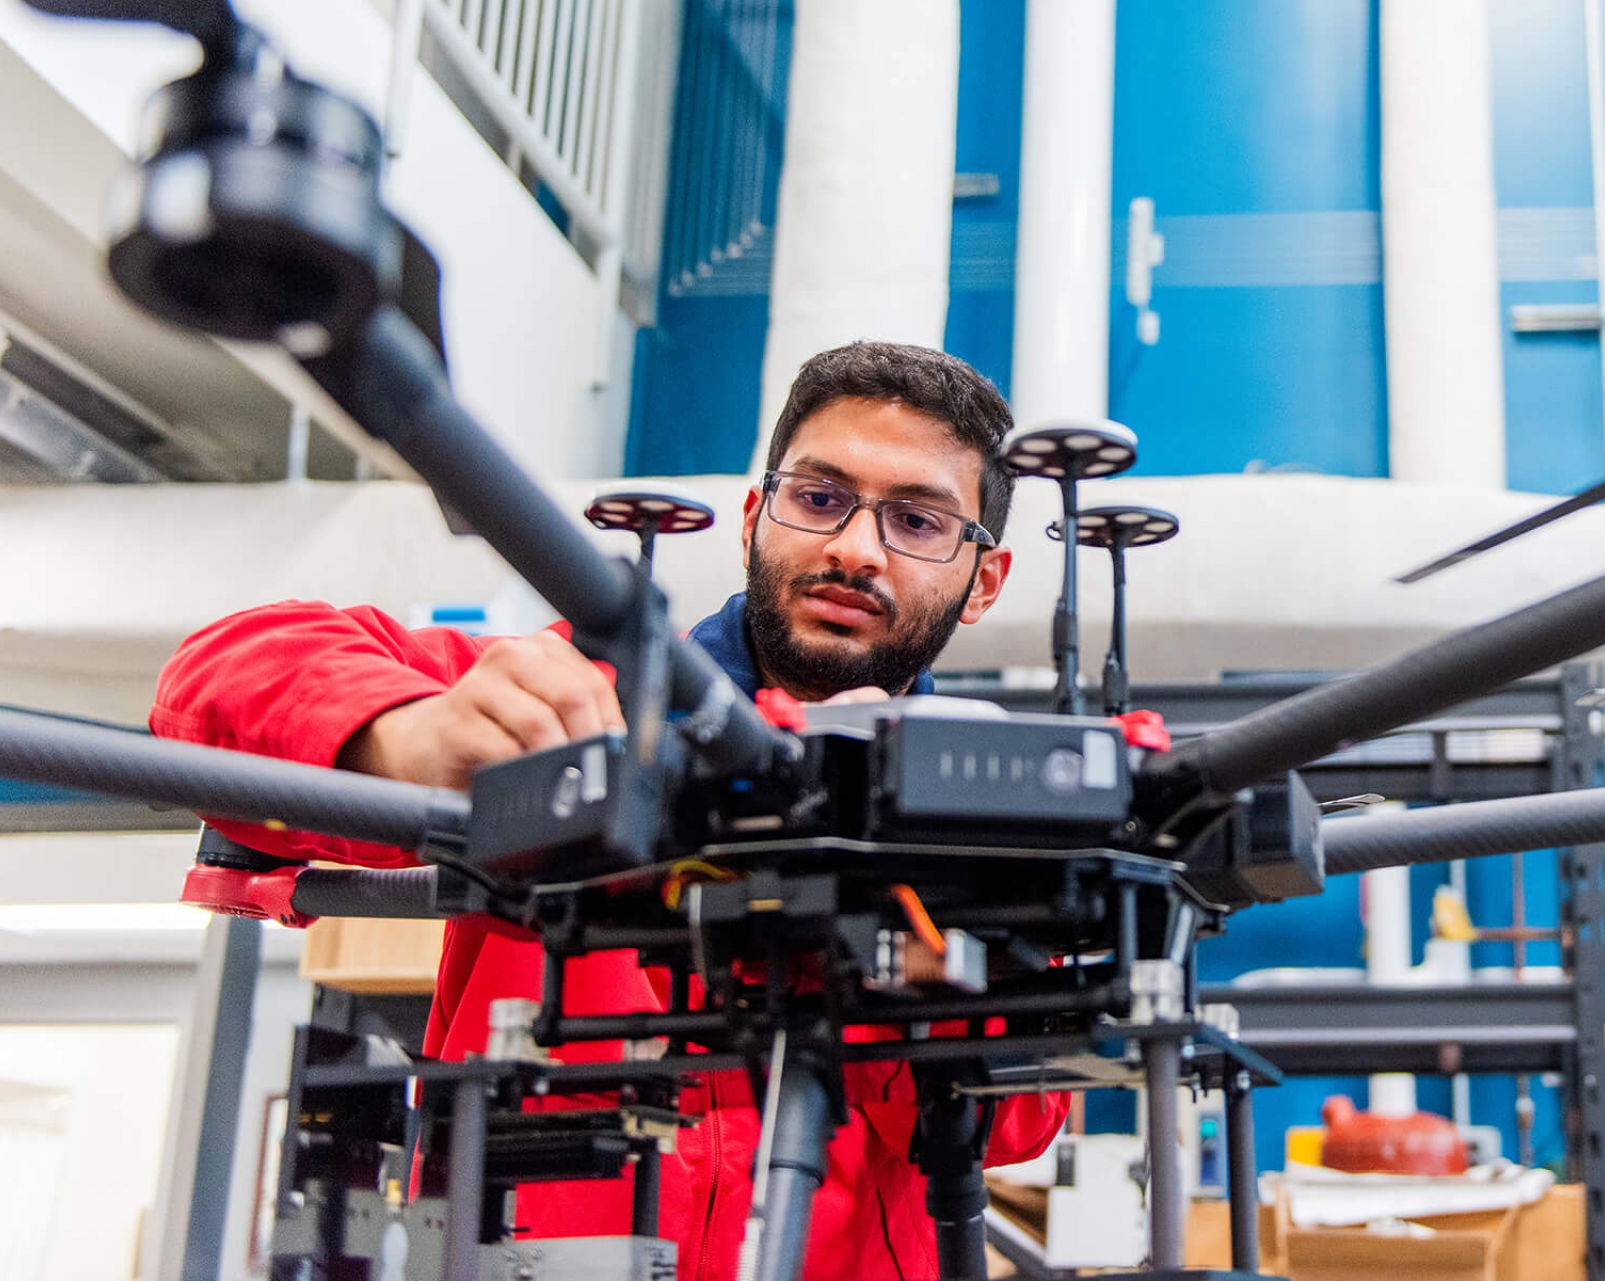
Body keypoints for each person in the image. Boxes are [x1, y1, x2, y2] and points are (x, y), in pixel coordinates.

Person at [153, 342, 1067, 1280]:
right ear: (757, 515)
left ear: (981, 582)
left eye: (916, 519)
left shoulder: (987, 808)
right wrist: (412, 735)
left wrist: (900, 910)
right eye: (819, 497)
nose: (854, 548)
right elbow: (216, 676)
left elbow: (1016, 1122)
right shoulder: (570, 698)